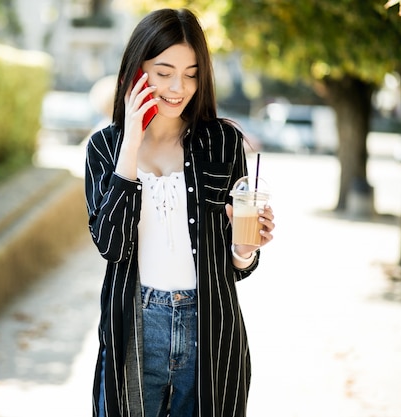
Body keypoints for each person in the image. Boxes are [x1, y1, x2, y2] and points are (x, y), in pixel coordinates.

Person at [84, 8, 276, 417]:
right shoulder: (104, 148)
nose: (178, 87)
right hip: (134, 329)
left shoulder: (223, 142)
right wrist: (131, 145)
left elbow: (237, 265)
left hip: (209, 328)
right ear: (137, 72)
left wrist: (246, 248)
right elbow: (111, 246)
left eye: (191, 74)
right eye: (163, 71)